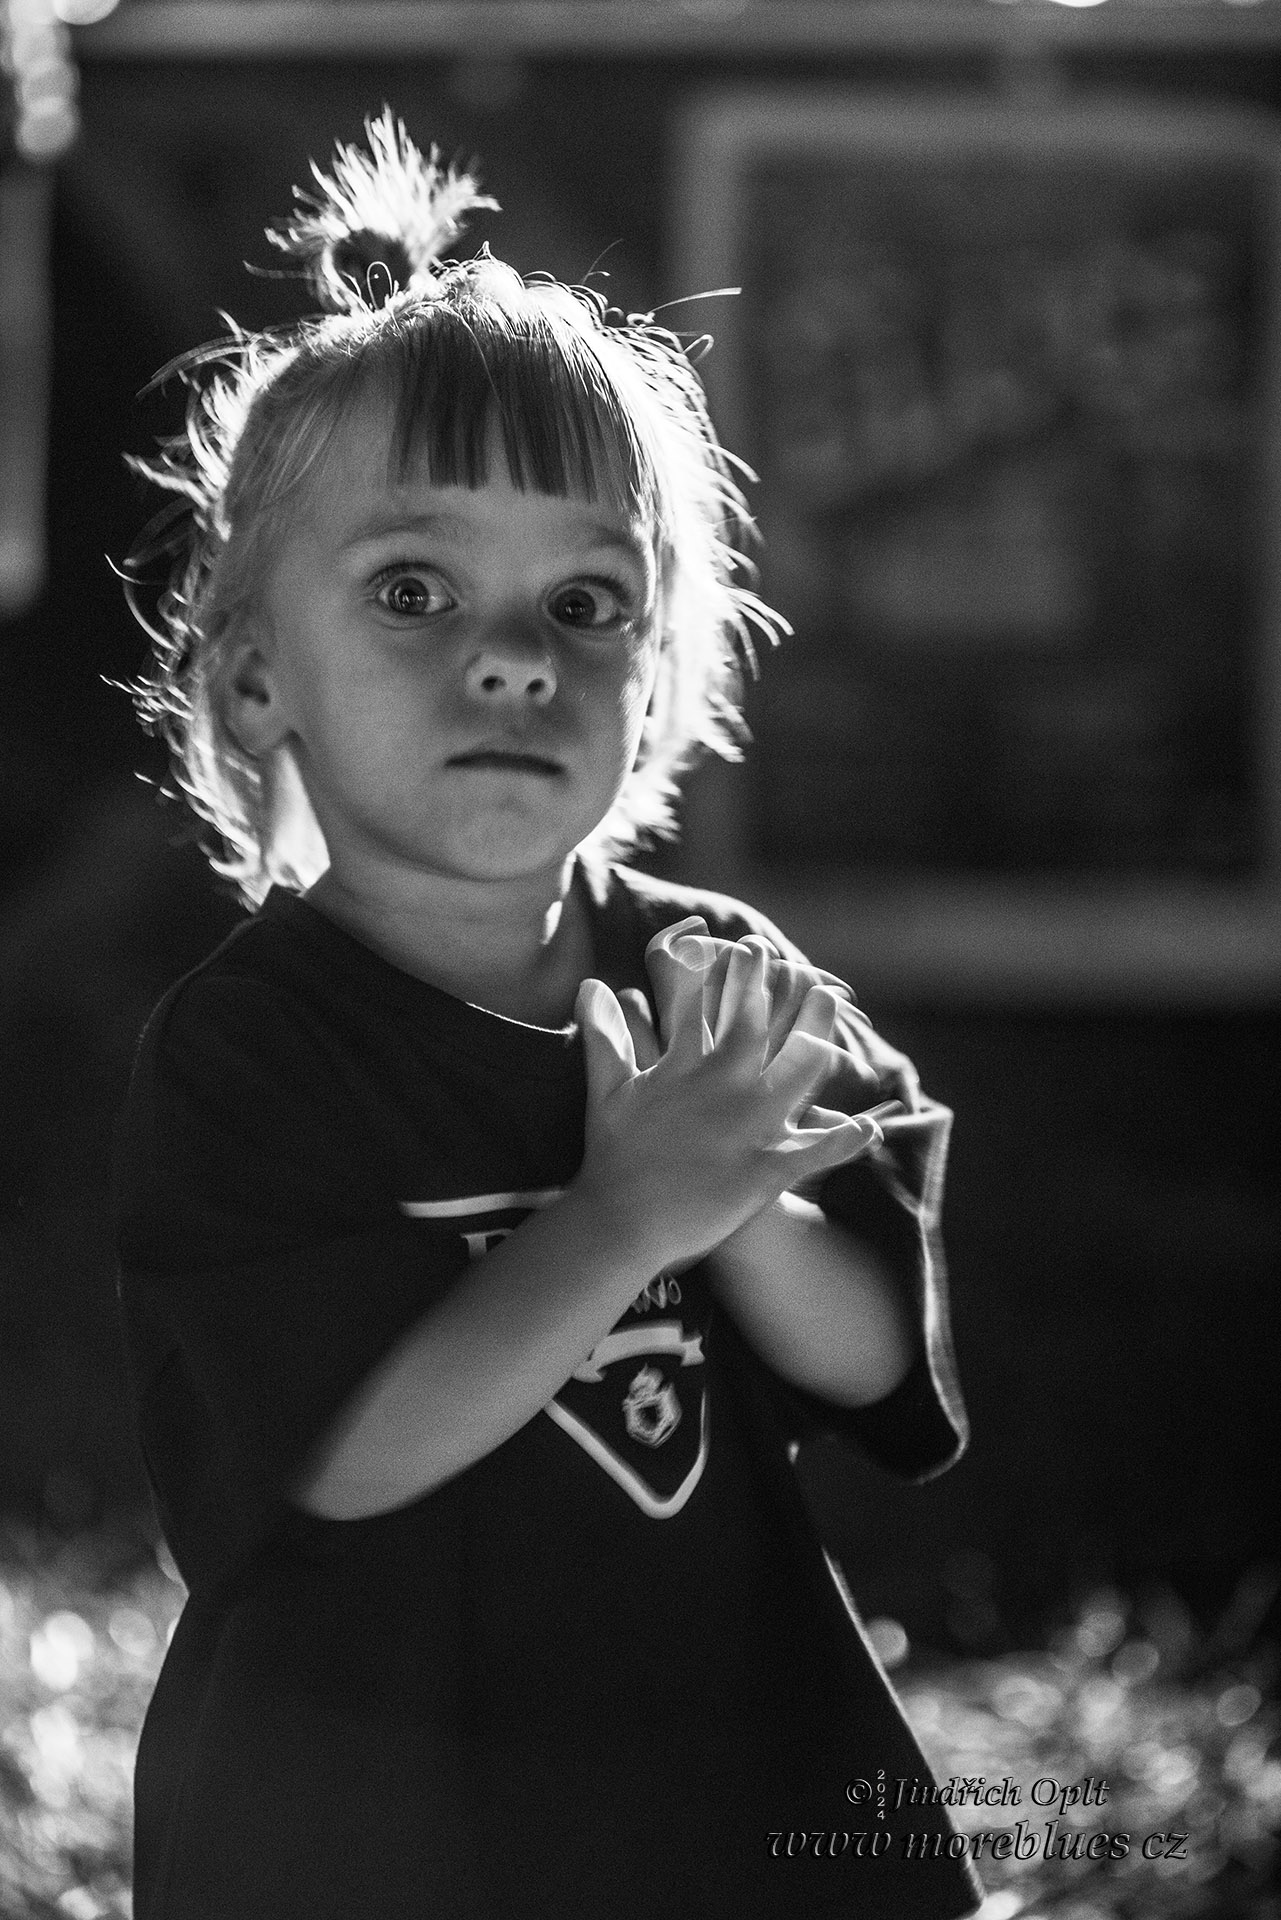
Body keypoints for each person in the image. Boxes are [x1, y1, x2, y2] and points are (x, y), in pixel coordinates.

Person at [114, 114, 982, 1920]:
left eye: (584, 604)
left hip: (730, 1787)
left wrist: (732, 1192)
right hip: (369, 1825)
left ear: (654, 672)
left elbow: (875, 1366)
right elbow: (339, 1460)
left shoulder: (711, 978)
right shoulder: (255, 1046)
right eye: (414, 591)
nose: (515, 658)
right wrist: (623, 1214)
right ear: (255, 672)